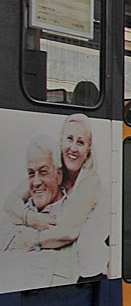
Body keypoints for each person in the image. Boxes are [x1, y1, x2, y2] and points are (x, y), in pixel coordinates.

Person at [3, 115, 106, 281]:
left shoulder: (89, 181)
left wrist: (32, 241)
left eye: (80, 142)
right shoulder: (54, 172)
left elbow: (67, 232)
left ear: (88, 150)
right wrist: (32, 218)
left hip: (89, 276)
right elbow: (10, 203)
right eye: (69, 139)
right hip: (66, 272)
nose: (73, 147)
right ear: (61, 142)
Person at [1, 135, 76, 285]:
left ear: (59, 175)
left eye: (43, 172)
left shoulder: (70, 217)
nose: (36, 182)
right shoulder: (11, 218)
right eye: (31, 173)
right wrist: (31, 218)